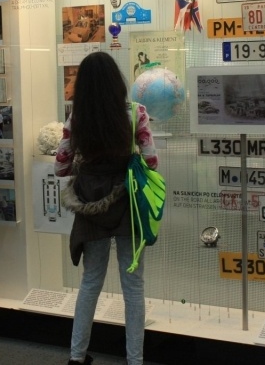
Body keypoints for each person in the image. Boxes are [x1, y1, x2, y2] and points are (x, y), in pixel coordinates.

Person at [54, 51, 158, 365]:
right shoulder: (136, 113)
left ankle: (76, 356)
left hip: (91, 206)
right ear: (117, 81)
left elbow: (60, 167)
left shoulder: (77, 118)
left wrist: (87, 164)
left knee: (91, 282)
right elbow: (152, 162)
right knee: (133, 285)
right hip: (127, 204)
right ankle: (135, 360)